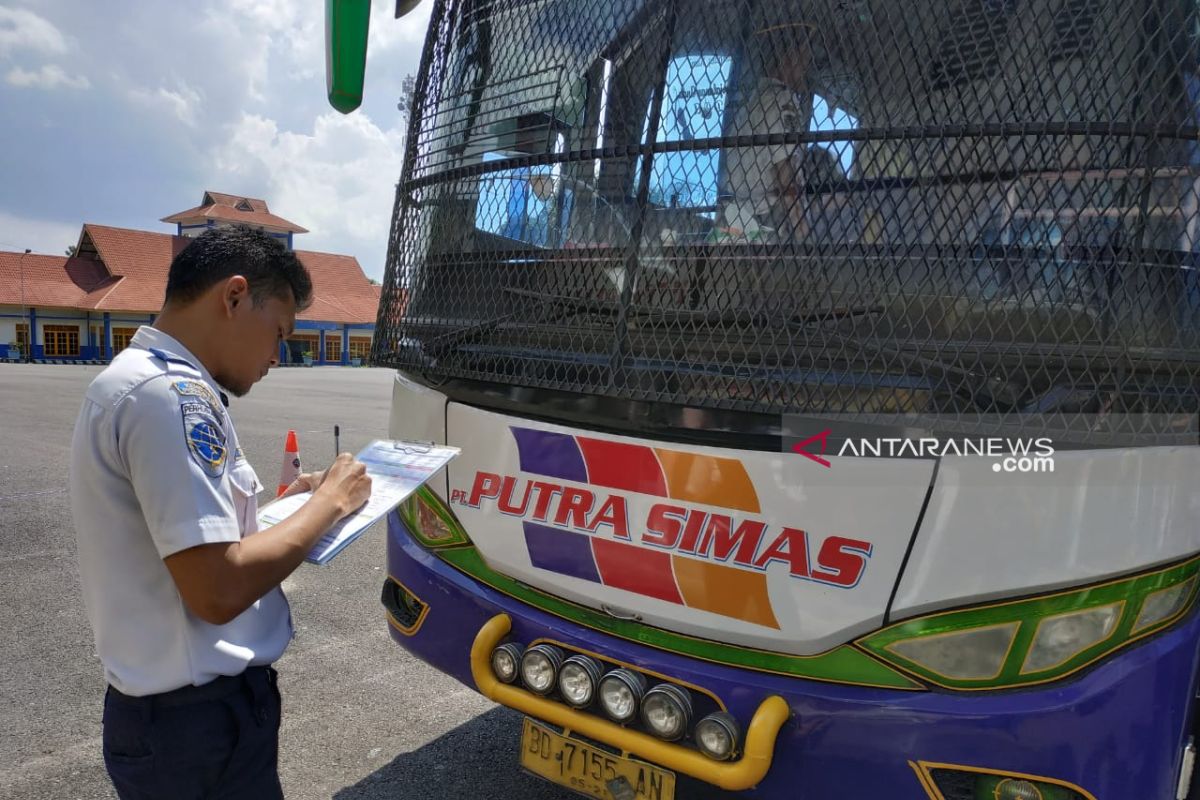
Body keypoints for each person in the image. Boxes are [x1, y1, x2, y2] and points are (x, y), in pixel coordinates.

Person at [69, 226, 373, 799]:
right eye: (278, 332)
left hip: (177, 721)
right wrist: (330, 503)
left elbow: (189, 536)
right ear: (234, 297)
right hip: (195, 729)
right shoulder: (169, 397)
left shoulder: (143, 382)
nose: (276, 357)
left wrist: (291, 506)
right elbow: (218, 587)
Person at [717, 21, 816, 242]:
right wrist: (805, 236)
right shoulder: (782, 99)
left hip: (732, 221)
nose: (807, 69)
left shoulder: (750, 103)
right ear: (788, 58)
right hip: (760, 226)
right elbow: (784, 173)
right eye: (805, 59)